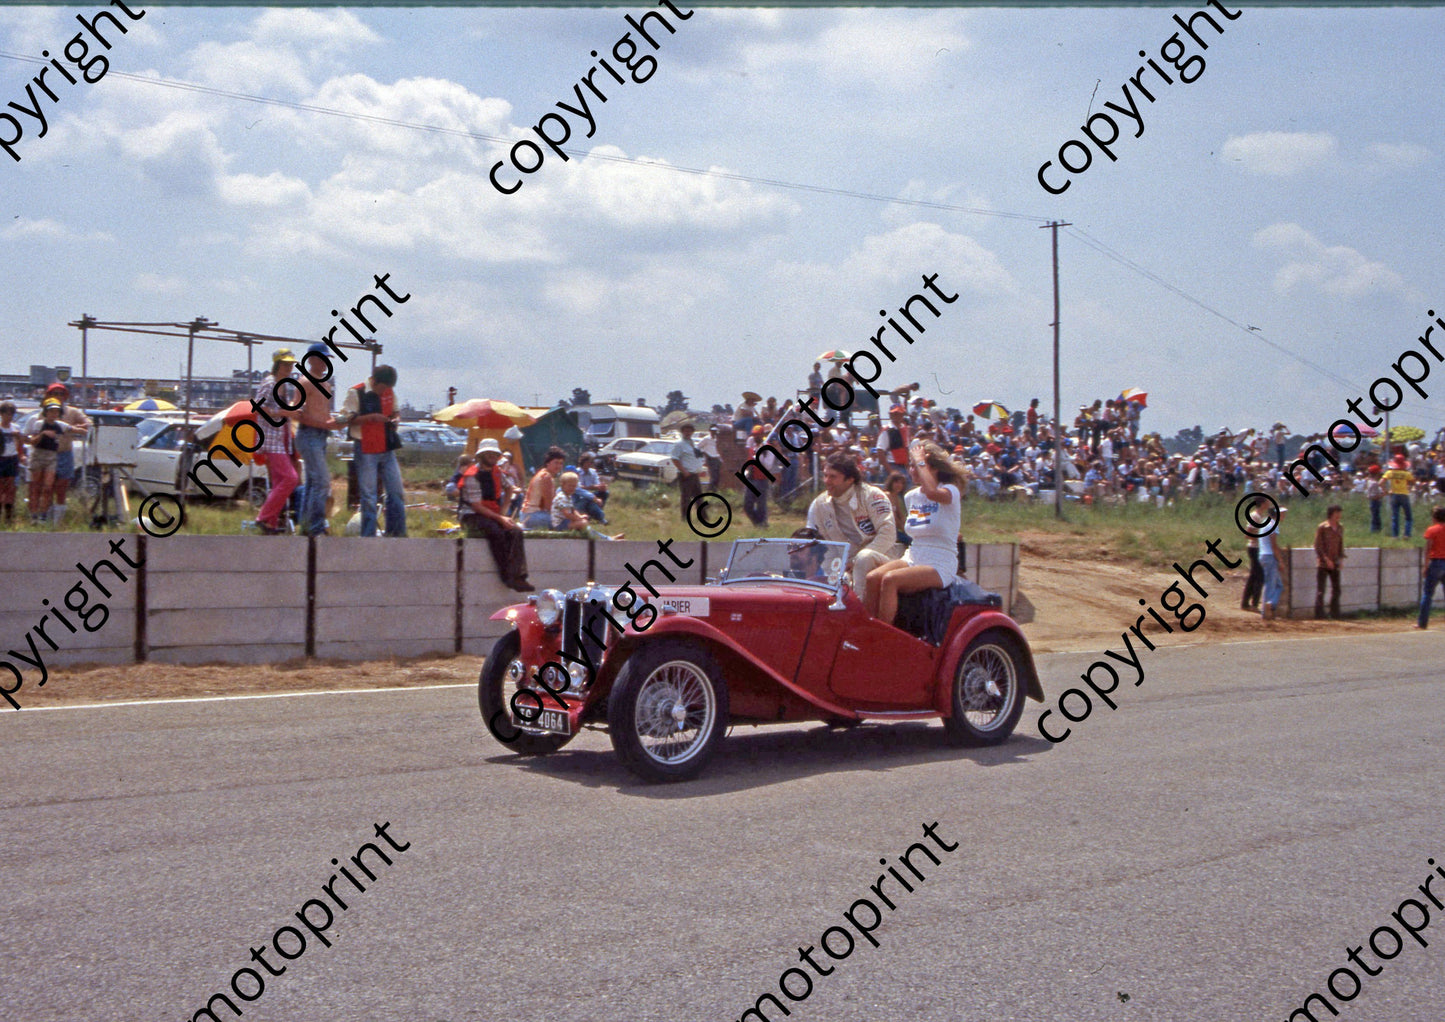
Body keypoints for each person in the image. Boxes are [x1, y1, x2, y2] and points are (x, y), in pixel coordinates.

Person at [864, 441, 965, 626]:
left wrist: (920, 460)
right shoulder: (911, 496)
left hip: (939, 562)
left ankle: (881, 633)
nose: (912, 470)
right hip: (913, 556)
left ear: (933, 468)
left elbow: (932, 492)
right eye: (911, 465)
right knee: (873, 578)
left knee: (890, 580)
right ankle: (866, 628)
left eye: (918, 465)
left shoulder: (950, 490)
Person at [806, 451, 901, 593]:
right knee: (836, 582)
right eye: (825, 475)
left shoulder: (872, 495)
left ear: (850, 479)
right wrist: (834, 572)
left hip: (882, 557)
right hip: (844, 564)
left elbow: (888, 535)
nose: (826, 481)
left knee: (864, 558)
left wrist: (855, 562)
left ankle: (859, 606)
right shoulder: (819, 504)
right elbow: (824, 546)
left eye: (833, 477)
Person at [338, 364, 406, 537]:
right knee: (369, 494)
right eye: (382, 388)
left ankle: (397, 533)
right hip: (365, 447)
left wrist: (395, 419)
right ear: (374, 382)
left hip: (387, 447)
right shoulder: (356, 392)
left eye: (388, 389)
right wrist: (371, 418)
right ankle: (368, 535)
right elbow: (346, 418)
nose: (384, 392)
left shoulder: (389, 390)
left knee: (396, 491)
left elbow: (396, 411)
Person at [457, 442, 533, 591]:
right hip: (470, 515)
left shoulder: (497, 472)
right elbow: (476, 506)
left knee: (515, 531)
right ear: (481, 456)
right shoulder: (472, 475)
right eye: (488, 454)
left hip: (491, 514)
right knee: (496, 532)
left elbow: (509, 488)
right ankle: (507, 577)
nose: (492, 456)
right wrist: (500, 518)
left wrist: (503, 512)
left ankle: (519, 576)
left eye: (495, 454)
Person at [293, 344, 341, 536]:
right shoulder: (305, 382)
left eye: (326, 359)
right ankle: (316, 527)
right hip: (309, 434)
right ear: (311, 360)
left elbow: (323, 413)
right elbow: (298, 414)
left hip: (320, 437)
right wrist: (325, 425)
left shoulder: (325, 384)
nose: (324, 363)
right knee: (321, 481)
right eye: (321, 359)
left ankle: (306, 525)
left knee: (313, 482)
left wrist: (337, 423)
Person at [252, 348, 299, 534]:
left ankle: (270, 523)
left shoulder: (283, 385)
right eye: (285, 364)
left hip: (280, 438)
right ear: (277, 365)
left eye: (290, 364)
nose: (289, 368)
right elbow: (258, 407)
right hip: (270, 438)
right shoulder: (270, 383)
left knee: (279, 482)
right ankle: (263, 517)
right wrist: (281, 412)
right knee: (290, 478)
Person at [43, 382, 90, 526]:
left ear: (65, 396)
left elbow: (88, 423)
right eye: (54, 393)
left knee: (61, 488)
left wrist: (76, 427)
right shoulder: (43, 412)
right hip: (48, 454)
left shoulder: (72, 411)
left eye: (61, 393)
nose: (58, 396)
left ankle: (58, 522)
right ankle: (46, 520)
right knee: (47, 488)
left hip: (65, 453)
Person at [25, 399, 72, 524]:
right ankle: (33, 515)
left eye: (56, 412)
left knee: (48, 486)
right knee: (36, 486)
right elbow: (32, 441)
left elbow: (74, 429)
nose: (53, 414)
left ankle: (43, 514)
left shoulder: (60, 425)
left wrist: (87, 427)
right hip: (38, 454)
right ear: (46, 412)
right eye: (51, 411)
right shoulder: (38, 424)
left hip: (51, 456)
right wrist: (43, 433)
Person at [551, 471, 623, 540]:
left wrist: (580, 516)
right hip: (560, 525)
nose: (572, 488)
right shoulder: (562, 497)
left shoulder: (568, 496)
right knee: (583, 523)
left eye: (574, 486)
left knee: (584, 523)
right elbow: (567, 514)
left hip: (566, 521)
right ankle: (605, 539)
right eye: (570, 486)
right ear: (562, 485)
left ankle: (605, 538)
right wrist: (578, 519)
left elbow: (573, 509)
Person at [520, 447, 565, 530]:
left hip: (528, 515)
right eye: (556, 463)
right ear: (548, 463)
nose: (559, 466)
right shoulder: (546, 477)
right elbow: (550, 506)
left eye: (561, 463)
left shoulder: (544, 474)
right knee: (567, 521)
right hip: (533, 516)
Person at [1313, 504, 1345, 619]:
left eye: (1340, 513)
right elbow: (1318, 545)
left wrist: (1340, 560)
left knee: (1337, 589)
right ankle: (1319, 614)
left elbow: (1340, 545)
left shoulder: (1340, 527)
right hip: (1323, 563)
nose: (1339, 515)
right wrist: (1326, 559)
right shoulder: (1322, 527)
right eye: (1337, 513)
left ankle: (1334, 613)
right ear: (1331, 514)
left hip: (1335, 562)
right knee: (1321, 589)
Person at [670, 421, 705, 523]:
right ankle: (685, 518)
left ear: (692, 432)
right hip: (685, 474)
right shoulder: (679, 444)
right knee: (686, 497)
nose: (688, 433)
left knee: (699, 497)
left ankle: (703, 517)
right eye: (685, 431)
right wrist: (684, 471)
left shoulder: (693, 444)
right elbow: (674, 459)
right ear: (682, 432)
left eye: (689, 431)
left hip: (694, 474)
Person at [1417, 505, 1445, 629]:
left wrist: (1425, 566)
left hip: (1436, 563)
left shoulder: (1432, 530)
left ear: (1435, 517)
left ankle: (1422, 623)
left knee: (1428, 593)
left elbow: (1428, 549)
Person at [1258, 508, 1287, 621]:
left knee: (1278, 585)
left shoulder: (1264, 523)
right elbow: (1273, 545)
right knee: (1271, 584)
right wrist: (1280, 561)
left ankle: (1270, 605)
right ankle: (1267, 607)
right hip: (1270, 556)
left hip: (1263, 555)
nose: (1284, 516)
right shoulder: (1273, 525)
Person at [741, 424, 772, 526]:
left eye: (758, 435)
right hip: (751, 479)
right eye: (754, 435)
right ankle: (757, 522)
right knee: (747, 505)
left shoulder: (767, 449)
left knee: (761, 505)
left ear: (762, 435)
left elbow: (768, 466)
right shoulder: (753, 448)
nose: (755, 437)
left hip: (762, 480)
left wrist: (760, 455)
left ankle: (762, 524)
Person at [0, 400, 23, 525]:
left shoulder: (16, 428)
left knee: (11, 487)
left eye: (11, 414)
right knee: (1, 487)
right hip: (1, 458)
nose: (9, 417)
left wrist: (21, 455)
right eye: (6, 414)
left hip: (12, 458)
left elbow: (20, 443)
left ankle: (8, 517)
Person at [1384, 452, 1414, 538]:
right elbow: (1413, 482)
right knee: (1408, 516)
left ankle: (1395, 535)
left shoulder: (1390, 472)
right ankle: (1407, 534)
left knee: (1395, 516)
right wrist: (1409, 488)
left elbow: (1381, 482)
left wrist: (1386, 491)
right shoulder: (1407, 474)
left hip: (1394, 494)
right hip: (1404, 494)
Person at [1240, 533, 1263, 611]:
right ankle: (1254, 604)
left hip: (1257, 548)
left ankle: (1245, 603)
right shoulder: (1257, 522)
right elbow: (1248, 535)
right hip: (1256, 549)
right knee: (1259, 577)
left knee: (1253, 577)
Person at [1366, 464, 1383, 533]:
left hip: (1372, 501)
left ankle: (1376, 530)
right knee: (1375, 516)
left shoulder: (1369, 481)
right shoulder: (1375, 483)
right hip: (1375, 501)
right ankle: (1374, 530)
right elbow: (1375, 496)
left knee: (1375, 516)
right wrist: (1384, 494)